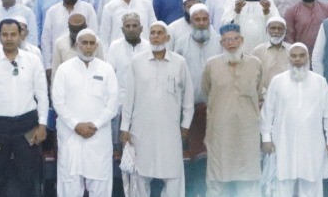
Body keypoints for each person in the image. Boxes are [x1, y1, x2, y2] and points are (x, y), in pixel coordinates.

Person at [120, 20, 192, 197]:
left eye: (160, 33)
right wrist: (124, 128)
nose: (156, 36)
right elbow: (129, 97)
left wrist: (185, 125)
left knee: (173, 173)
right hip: (141, 129)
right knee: (141, 174)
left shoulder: (179, 62)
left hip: (170, 130)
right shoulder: (137, 61)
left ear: (167, 37)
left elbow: (188, 99)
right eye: (153, 33)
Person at [259, 42, 328, 197]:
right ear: (288, 58)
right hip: (283, 144)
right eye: (294, 56)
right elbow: (267, 113)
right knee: (282, 186)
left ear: (308, 57)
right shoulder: (277, 81)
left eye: (302, 55)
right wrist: (266, 138)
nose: (298, 59)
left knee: (311, 186)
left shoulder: (319, 82)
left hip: (311, 145)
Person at [53, 28, 119, 197]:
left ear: (96, 46)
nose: (88, 47)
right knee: (70, 185)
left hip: (98, 137)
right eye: (84, 43)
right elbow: (58, 102)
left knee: (100, 186)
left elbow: (112, 104)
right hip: (71, 136)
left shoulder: (106, 70)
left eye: (92, 44)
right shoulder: (64, 69)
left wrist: (94, 125)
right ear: (77, 45)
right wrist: (76, 125)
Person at [202, 23, 265, 195]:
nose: (231, 43)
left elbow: (258, 92)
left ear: (241, 40)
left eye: (235, 39)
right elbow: (207, 92)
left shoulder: (255, 64)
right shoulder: (211, 65)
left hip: (247, 131)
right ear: (221, 43)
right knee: (218, 178)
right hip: (220, 131)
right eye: (227, 40)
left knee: (248, 180)